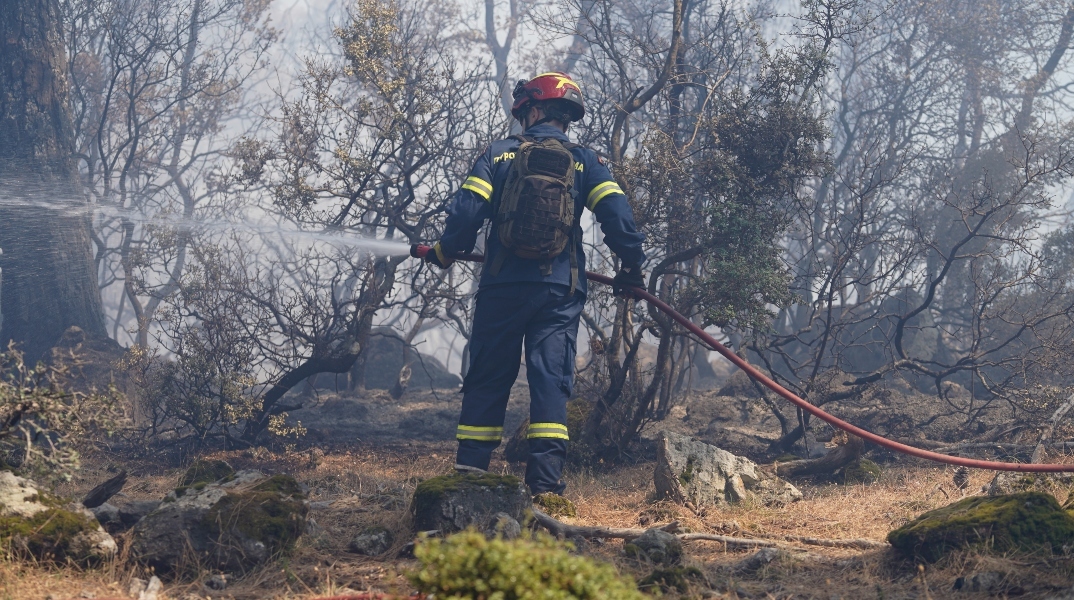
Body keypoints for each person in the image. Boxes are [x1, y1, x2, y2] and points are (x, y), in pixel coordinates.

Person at [423, 72, 646, 497]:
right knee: (550, 381)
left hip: (501, 288)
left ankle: (470, 475)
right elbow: (618, 218)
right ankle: (545, 486)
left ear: (535, 109)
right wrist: (631, 269)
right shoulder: (587, 161)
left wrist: (444, 251)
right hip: (558, 293)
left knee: (488, 376)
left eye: (525, 112)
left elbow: (467, 214)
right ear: (567, 116)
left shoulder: (499, 154)